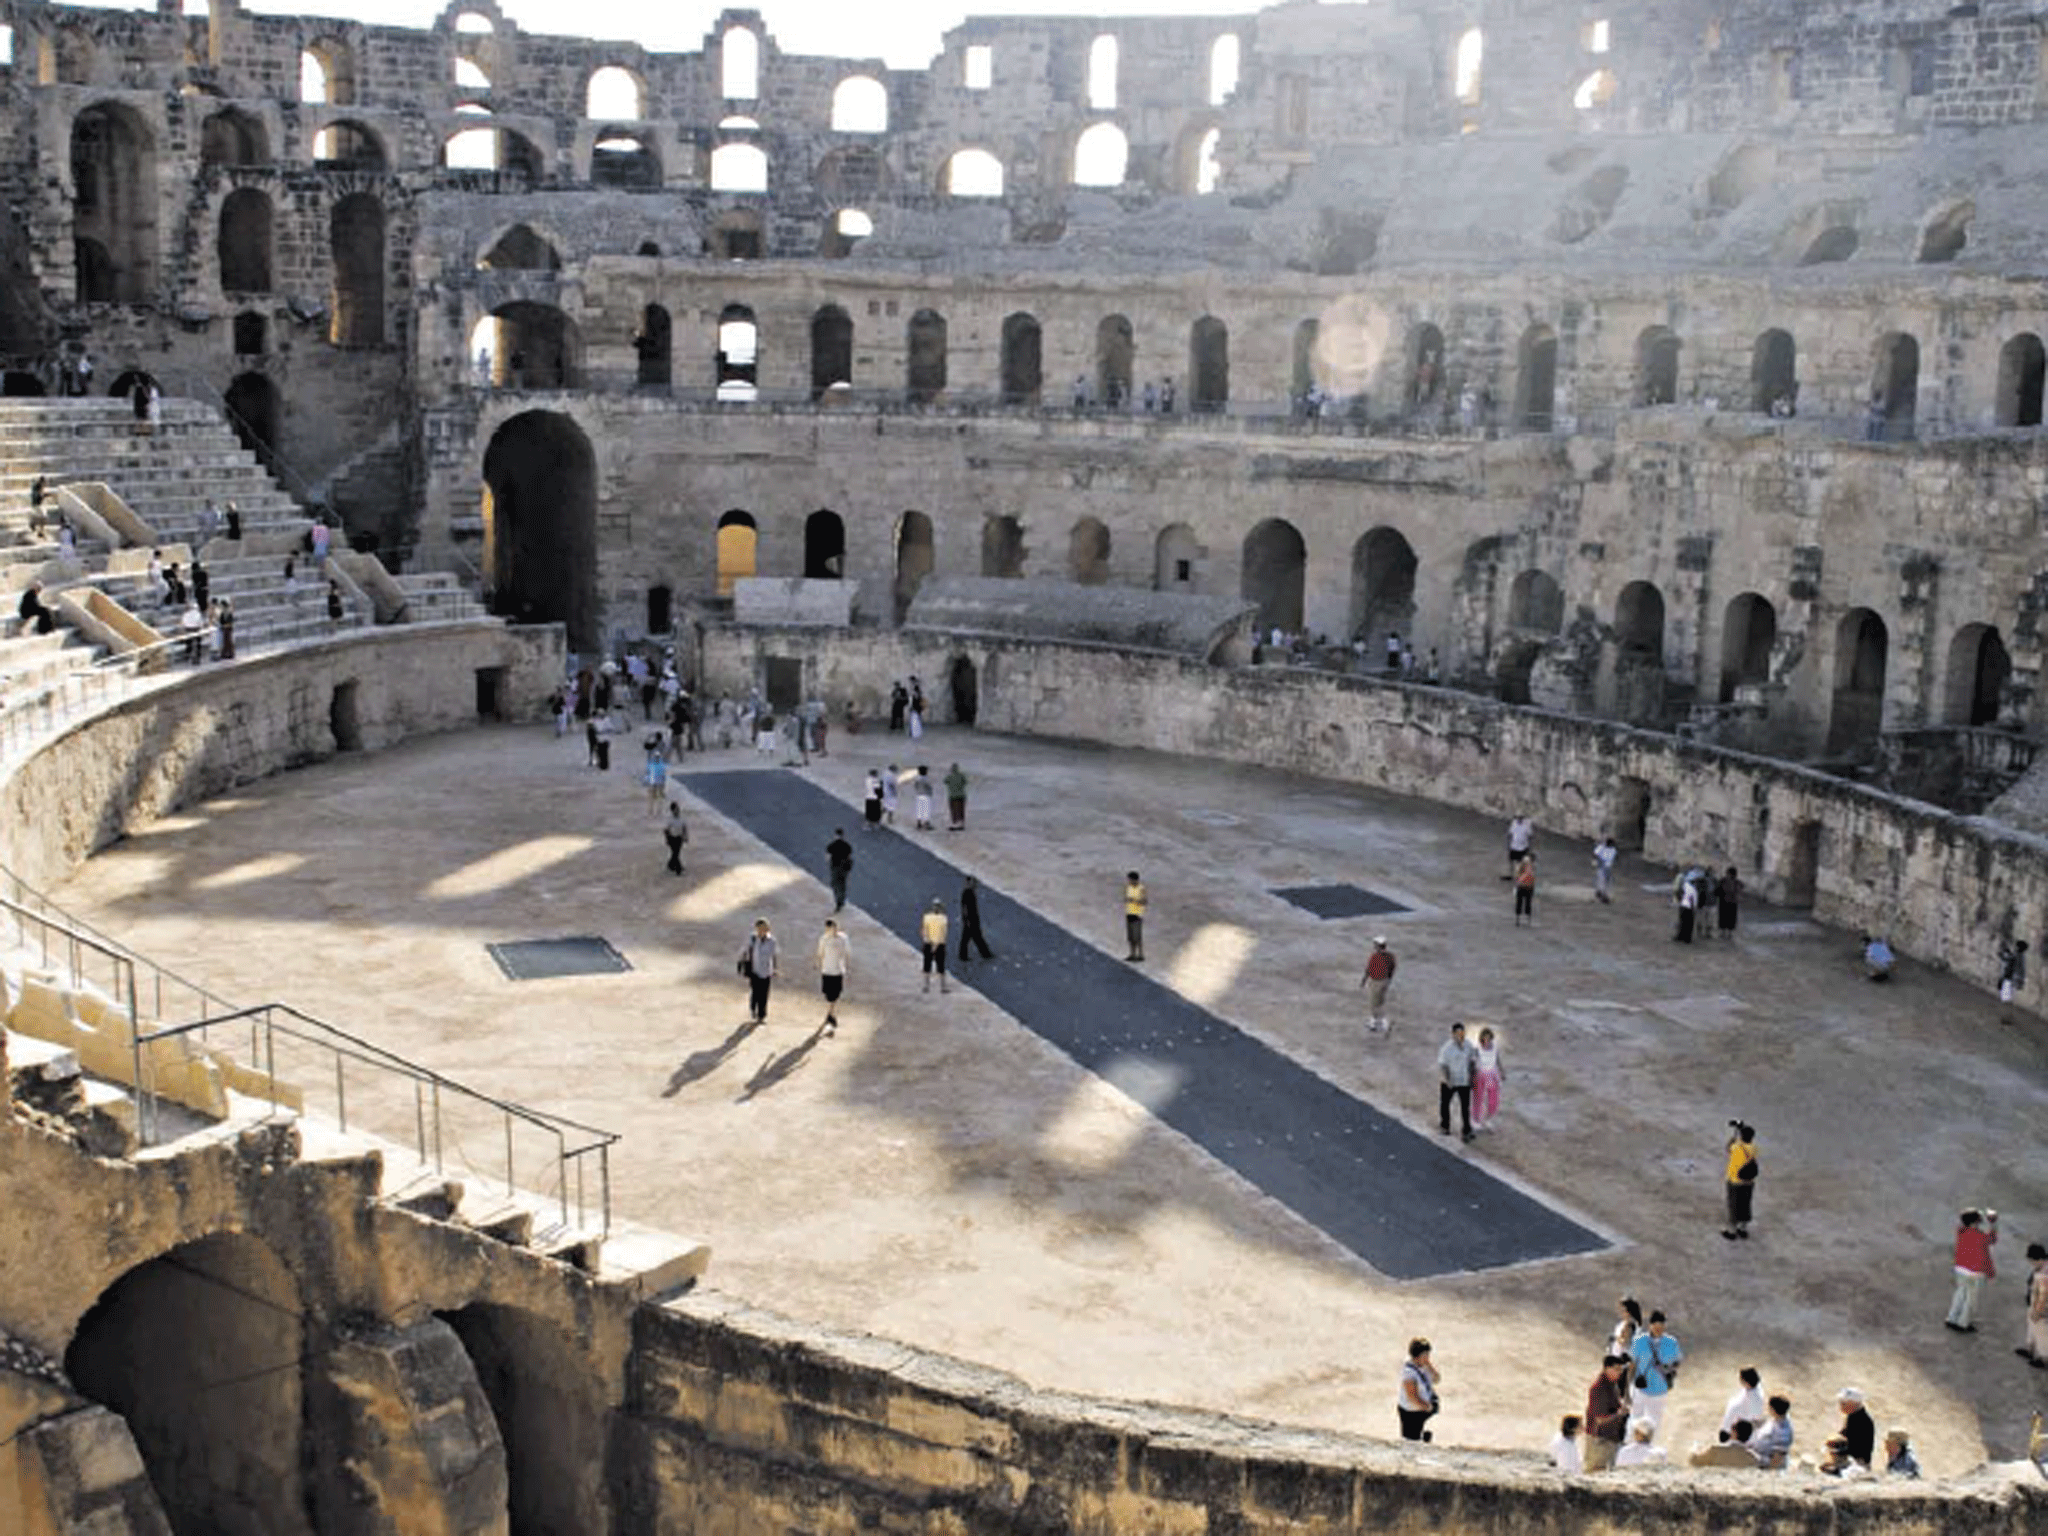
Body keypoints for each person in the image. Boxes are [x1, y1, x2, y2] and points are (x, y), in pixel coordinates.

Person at [1627, 1312, 1682, 1429]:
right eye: (1655, 1326)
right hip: (1641, 1387)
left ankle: (1650, 1445)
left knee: (1655, 1422)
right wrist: (1627, 1390)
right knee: (1634, 1420)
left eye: (1661, 1326)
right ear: (1650, 1325)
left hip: (1660, 1389)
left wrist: (1670, 1369)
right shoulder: (1639, 1341)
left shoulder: (1671, 1342)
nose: (1658, 1329)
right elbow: (1632, 1365)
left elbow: (1677, 1361)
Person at [1947, 1207, 1998, 1332]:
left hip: (1960, 1269)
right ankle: (1963, 1323)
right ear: (1976, 1222)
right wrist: (1992, 1223)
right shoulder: (1980, 1236)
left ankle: (1952, 1318)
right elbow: (1991, 1241)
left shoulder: (1961, 1231)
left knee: (1960, 1293)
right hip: (1975, 1273)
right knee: (1971, 1299)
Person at [1584, 1356, 1630, 1471]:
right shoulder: (1599, 1388)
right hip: (1599, 1439)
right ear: (1606, 1368)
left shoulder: (1612, 1384)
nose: (1619, 1372)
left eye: (1621, 1369)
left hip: (1610, 1438)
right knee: (1596, 1471)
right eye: (1616, 1369)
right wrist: (1619, 1414)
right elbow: (1599, 1419)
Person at [1438, 1021, 1476, 1142]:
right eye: (1458, 1033)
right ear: (1453, 1034)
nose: (1461, 1036)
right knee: (1445, 1104)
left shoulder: (1468, 1045)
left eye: (1462, 1033)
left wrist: (1472, 1076)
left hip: (1464, 1080)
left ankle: (1466, 1130)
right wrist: (1446, 1080)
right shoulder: (1446, 1048)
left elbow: (1472, 1061)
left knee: (1465, 1107)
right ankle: (1445, 1126)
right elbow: (1443, 1066)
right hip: (1451, 1080)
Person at [1396, 1339, 1439, 1443]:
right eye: (1426, 1355)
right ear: (1418, 1355)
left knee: (1418, 1439)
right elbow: (1412, 1397)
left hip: (1422, 1410)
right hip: (1411, 1413)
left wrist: (1429, 1365)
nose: (1428, 1357)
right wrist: (1426, 1407)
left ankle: (1423, 1439)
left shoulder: (1423, 1367)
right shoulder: (1409, 1373)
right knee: (1410, 1442)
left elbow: (1436, 1379)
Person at [1723, 1120, 1758, 1240]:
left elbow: (1728, 1147)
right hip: (1749, 1182)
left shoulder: (1737, 1147)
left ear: (1741, 1136)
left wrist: (1735, 1132)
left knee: (1734, 1205)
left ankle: (1731, 1232)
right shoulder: (1753, 1148)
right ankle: (1743, 1229)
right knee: (1745, 1204)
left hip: (1735, 1181)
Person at [740, 918, 776, 1024]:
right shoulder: (753, 939)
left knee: (764, 994)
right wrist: (744, 965)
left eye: (764, 929)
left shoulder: (772, 941)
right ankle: (753, 1008)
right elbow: (745, 952)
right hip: (754, 971)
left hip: (766, 971)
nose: (761, 931)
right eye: (759, 929)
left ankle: (761, 1016)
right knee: (755, 993)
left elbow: (773, 956)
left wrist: (774, 968)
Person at [816, 919, 849, 1034]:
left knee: (836, 993)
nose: (833, 931)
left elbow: (846, 952)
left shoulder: (843, 938)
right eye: (830, 929)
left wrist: (845, 964)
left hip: (838, 970)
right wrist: (820, 966)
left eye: (834, 928)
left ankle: (830, 1014)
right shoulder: (824, 939)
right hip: (827, 970)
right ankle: (831, 1014)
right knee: (827, 993)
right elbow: (820, 953)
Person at [1361, 935, 1396, 1035]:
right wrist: (1389, 979)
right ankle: (1377, 1021)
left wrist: (1363, 981)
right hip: (1384, 981)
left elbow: (1368, 969)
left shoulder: (1375, 956)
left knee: (1374, 1003)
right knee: (1380, 1001)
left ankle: (1377, 1022)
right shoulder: (1390, 956)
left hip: (1376, 981)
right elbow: (1392, 968)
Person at [1472, 1026, 1505, 1130]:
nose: (1487, 1041)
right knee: (1478, 1098)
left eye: (1489, 1038)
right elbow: (1472, 1064)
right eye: (1485, 1039)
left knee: (1493, 1100)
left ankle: (1488, 1119)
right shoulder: (1477, 1049)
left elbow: (1497, 1059)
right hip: (1481, 1075)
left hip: (1492, 1075)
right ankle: (1475, 1120)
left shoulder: (1494, 1046)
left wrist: (1501, 1071)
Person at [1719, 1367, 1765, 1443]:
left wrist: (1732, 1432)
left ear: (1746, 1382)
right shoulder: (1751, 1389)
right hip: (1731, 1429)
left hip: (1737, 1434)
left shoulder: (1755, 1398)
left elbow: (1753, 1419)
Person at [2021, 1241, 2048, 1367]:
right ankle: (2030, 1348)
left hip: (2041, 1307)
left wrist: (2038, 1311)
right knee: (2032, 1326)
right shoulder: (2041, 1268)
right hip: (2034, 1303)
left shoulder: (2044, 1274)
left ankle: (2044, 1357)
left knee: (2041, 1331)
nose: (2031, 1264)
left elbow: (2043, 1295)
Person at [1749, 1395, 1794, 1469]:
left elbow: (1777, 1458)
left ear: (1773, 1410)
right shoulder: (1779, 1417)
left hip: (1764, 1465)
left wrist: (1768, 1473)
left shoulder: (1783, 1432)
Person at [1690, 1420, 1757, 1468]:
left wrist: (1695, 1448)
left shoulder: (1715, 1450)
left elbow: (1693, 1461)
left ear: (1734, 1432)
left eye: (1732, 1428)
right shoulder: (1753, 1458)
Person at [1836, 1389, 1875, 1469]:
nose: (1840, 1406)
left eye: (1844, 1403)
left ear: (1854, 1404)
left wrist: (1837, 1451)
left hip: (1858, 1466)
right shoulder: (1852, 1417)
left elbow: (1857, 1449)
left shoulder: (1863, 1421)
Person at [958, 875, 993, 962]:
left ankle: (964, 955)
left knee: (969, 937)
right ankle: (985, 954)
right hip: (971, 919)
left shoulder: (968, 893)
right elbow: (966, 909)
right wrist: (967, 920)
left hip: (970, 919)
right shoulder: (968, 893)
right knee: (976, 937)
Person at [920, 899, 950, 994]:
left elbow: (924, 931)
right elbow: (943, 933)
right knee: (940, 966)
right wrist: (936, 945)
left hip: (928, 944)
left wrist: (928, 940)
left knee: (927, 965)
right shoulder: (943, 918)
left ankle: (926, 986)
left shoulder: (927, 917)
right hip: (939, 944)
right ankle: (942, 987)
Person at [1998, 939, 2028, 1024]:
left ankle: (2006, 1017)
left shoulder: (2017, 955)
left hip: (2009, 979)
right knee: (2010, 1000)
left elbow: (2007, 959)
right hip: (2013, 980)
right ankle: (2008, 1017)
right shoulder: (2021, 956)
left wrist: (2003, 953)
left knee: (2006, 1000)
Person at [826, 828, 854, 912]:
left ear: (835, 835)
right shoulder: (847, 845)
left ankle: (838, 901)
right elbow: (849, 857)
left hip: (835, 867)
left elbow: (827, 858)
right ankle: (842, 899)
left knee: (835, 884)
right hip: (844, 868)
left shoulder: (831, 845)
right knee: (842, 884)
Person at [1124, 870, 1147, 962]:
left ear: (1135, 879)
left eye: (1130, 879)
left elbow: (1144, 901)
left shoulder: (1141, 888)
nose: (1129, 881)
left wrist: (1133, 900)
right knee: (1130, 937)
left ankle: (1140, 955)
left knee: (1137, 936)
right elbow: (1126, 898)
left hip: (1137, 914)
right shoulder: (1128, 888)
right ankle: (1132, 954)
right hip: (1129, 913)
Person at [663, 801, 688, 876]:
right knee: (675, 853)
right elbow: (666, 830)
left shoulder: (682, 818)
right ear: (672, 810)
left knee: (676, 853)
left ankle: (670, 865)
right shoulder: (670, 819)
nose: (677, 811)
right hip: (672, 838)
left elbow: (684, 828)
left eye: (677, 809)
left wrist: (686, 837)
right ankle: (678, 869)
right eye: (675, 809)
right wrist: (667, 839)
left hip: (679, 838)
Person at [1716, 865, 1741, 938]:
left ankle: (1723, 933)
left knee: (1723, 917)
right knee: (1731, 918)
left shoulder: (1723, 880)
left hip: (1724, 902)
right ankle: (1729, 933)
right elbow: (1740, 890)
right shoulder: (1737, 882)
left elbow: (1717, 891)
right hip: (1733, 903)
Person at [1506, 814, 1533, 878]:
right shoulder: (1514, 823)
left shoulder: (1527, 825)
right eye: (1518, 818)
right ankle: (1511, 874)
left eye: (1520, 818)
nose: (1519, 819)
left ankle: (1520, 875)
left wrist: (1529, 846)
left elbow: (1530, 835)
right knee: (1511, 861)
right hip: (1514, 846)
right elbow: (1510, 833)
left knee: (1520, 862)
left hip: (1522, 847)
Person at [1512, 853, 1536, 927]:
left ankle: (1518, 919)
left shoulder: (1523, 863)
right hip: (1529, 885)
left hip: (1521, 885)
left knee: (1519, 902)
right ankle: (1527, 920)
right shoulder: (1532, 865)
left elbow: (1517, 873)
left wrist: (1517, 881)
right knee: (1528, 902)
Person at [1674, 870, 1698, 943]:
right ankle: (1687, 938)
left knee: (1682, 922)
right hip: (1689, 907)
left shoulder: (1684, 885)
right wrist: (1694, 908)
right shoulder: (1693, 889)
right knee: (1689, 924)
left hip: (1682, 905)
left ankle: (1680, 936)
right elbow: (1694, 900)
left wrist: (1680, 900)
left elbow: (1678, 892)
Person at [1592, 835, 1617, 904]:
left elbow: (1595, 854)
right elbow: (1595, 854)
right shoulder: (1602, 848)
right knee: (1602, 880)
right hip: (1602, 866)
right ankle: (1603, 895)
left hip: (1607, 867)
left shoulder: (1612, 850)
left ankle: (1600, 892)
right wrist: (1596, 861)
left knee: (1605, 881)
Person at [944, 762, 969, 830]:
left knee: (954, 810)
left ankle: (954, 822)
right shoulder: (961, 776)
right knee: (961, 810)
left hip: (952, 796)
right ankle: (961, 823)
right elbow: (965, 782)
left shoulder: (949, 777)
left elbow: (945, 781)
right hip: (961, 795)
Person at [912, 766, 934, 831]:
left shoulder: (917, 778)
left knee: (919, 810)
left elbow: (915, 786)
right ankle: (926, 824)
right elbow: (929, 787)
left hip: (919, 795)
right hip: (926, 795)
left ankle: (919, 823)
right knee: (926, 810)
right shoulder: (926, 779)